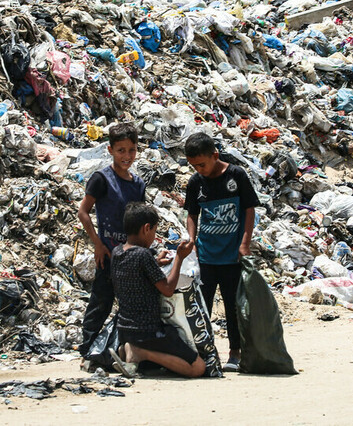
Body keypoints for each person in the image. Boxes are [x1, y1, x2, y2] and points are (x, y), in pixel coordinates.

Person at [183, 132, 258, 373]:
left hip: (232, 256)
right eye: (194, 166)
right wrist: (192, 241)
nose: (199, 170)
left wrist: (245, 243)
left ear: (215, 155)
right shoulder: (195, 182)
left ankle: (235, 352)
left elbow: (249, 209)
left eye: (202, 164)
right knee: (202, 306)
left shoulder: (236, 175)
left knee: (232, 306)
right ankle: (205, 352)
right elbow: (192, 214)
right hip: (206, 256)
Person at [109, 202, 205, 378]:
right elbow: (168, 289)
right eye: (154, 231)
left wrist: (156, 263)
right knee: (198, 368)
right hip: (148, 332)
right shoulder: (143, 255)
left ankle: (129, 350)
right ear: (146, 228)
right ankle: (140, 353)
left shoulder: (117, 252)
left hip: (124, 329)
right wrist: (179, 258)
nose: (154, 236)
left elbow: (137, 273)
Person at [76, 123, 145, 363]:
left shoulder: (138, 184)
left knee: (131, 304)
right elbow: (83, 212)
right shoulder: (101, 179)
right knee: (101, 302)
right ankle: (87, 349)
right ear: (110, 150)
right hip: (107, 253)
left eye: (131, 150)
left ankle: (125, 348)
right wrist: (98, 244)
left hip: (131, 255)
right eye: (121, 150)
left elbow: (140, 220)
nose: (127, 156)